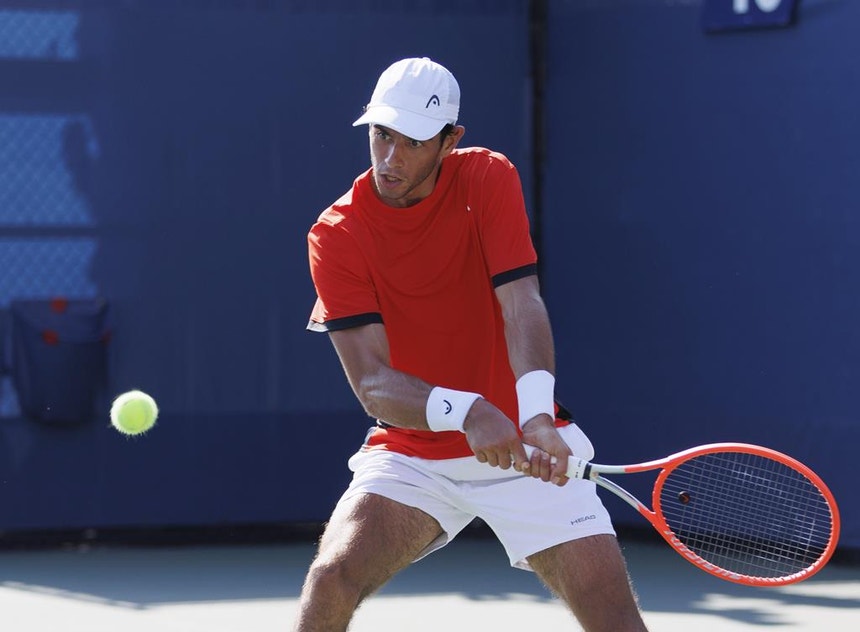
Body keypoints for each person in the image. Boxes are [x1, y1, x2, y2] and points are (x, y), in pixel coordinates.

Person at [296, 57, 648, 632]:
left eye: (411, 142)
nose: (390, 157)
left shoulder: (486, 178)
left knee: (613, 617)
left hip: (526, 448)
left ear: (450, 140)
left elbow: (521, 302)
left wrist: (535, 416)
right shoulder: (337, 234)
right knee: (332, 578)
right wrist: (468, 411)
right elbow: (372, 383)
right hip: (413, 454)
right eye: (381, 135)